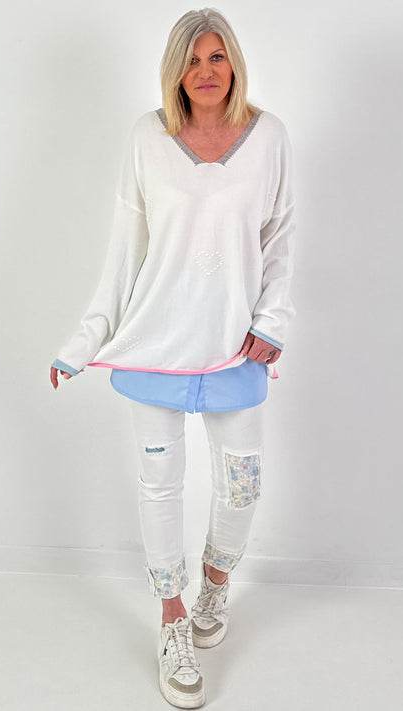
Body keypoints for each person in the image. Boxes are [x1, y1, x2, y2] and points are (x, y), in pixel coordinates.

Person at [50, 8, 295, 709]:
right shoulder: (147, 137)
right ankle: (172, 618)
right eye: (192, 59)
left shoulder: (269, 136)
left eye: (216, 56)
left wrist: (272, 321)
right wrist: (85, 339)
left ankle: (216, 582)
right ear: (175, 70)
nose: (206, 70)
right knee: (160, 486)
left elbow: (280, 236)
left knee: (242, 484)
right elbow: (125, 247)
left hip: (233, 347)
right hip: (156, 342)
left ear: (234, 62)